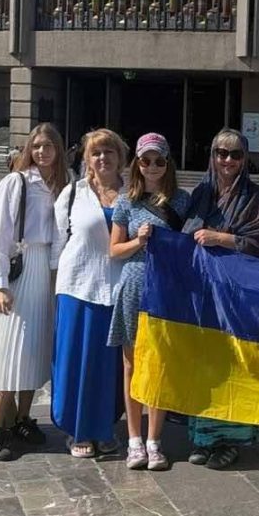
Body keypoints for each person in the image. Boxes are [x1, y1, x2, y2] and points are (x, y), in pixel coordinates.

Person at [186, 128, 259, 470]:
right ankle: (202, 438)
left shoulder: (258, 198)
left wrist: (220, 238)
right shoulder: (199, 194)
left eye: (236, 154)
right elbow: (182, 234)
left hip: (238, 297)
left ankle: (230, 441)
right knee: (203, 367)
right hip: (204, 296)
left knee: (234, 367)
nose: (227, 160)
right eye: (221, 153)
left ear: (246, 159)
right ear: (212, 156)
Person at [0, 123, 69, 461]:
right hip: (20, 266)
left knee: (34, 348)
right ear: (29, 149)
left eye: (49, 146)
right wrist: (1, 283)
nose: (42, 152)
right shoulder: (16, 182)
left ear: (58, 150)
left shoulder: (62, 185)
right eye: (37, 146)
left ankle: (22, 418)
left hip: (47, 268)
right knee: (9, 348)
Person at [108, 133, 191, 471]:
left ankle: (155, 440)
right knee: (131, 365)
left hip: (165, 289)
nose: (152, 166)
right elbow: (113, 251)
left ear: (167, 162)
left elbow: (189, 248)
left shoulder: (181, 200)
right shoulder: (126, 202)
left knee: (160, 364)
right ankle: (134, 439)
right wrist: (138, 241)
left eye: (159, 160)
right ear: (137, 164)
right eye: (146, 160)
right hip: (133, 284)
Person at [52, 129, 128, 459]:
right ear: (87, 159)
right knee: (76, 360)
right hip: (78, 287)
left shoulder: (132, 194)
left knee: (107, 364)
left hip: (118, 289)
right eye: (96, 153)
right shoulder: (73, 193)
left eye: (109, 151)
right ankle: (78, 429)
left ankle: (104, 428)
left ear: (120, 157)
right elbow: (56, 242)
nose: (103, 158)